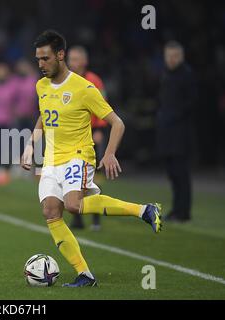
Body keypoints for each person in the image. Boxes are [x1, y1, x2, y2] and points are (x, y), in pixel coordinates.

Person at [21, 30, 162, 288]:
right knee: (51, 212)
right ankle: (85, 274)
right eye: (38, 59)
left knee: (73, 205)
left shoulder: (85, 88)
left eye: (45, 58)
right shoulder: (41, 86)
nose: (40, 64)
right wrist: (31, 146)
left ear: (60, 55)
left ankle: (142, 210)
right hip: (51, 159)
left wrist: (108, 153)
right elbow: (43, 115)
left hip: (78, 155)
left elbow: (117, 123)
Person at [67, 45, 108, 231]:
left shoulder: (94, 81)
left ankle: (96, 218)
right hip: (72, 135)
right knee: (73, 178)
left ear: (85, 61)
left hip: (91, 133)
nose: (73, 63)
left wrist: (100, 129)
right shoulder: (66, 80)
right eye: (71, 59)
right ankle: (77, 218)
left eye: (76, 59)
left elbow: (102, 107)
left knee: (92, 178)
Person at [157, 41, 197, 223]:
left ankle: (184, 212)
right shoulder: (166, 74)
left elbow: (192, 103)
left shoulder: (187, 75)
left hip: (181, 134)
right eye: (168, 56)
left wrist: (173, 115)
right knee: (172, 174)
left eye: (175, 56)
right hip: (167, 133)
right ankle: (176, 209)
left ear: (181, 57)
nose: (171, 59)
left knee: (181, 174)